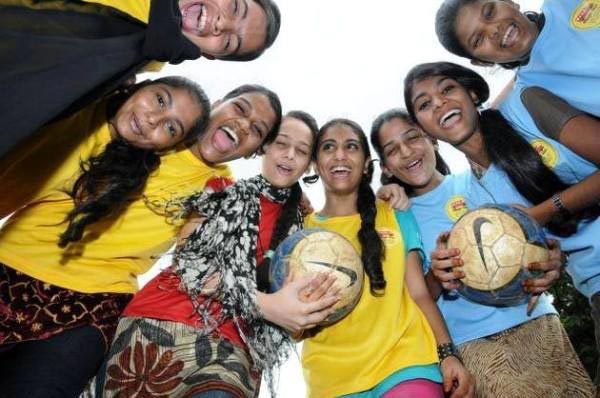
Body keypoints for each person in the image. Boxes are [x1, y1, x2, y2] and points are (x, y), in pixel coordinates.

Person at [0, 83, 282, 398]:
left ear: (255, 151)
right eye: (240, 109)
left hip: (91, 306)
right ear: (217, 103)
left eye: (256, 130)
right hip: (11, 264)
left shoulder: (222, 193)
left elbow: (205, 260)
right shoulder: (142, 120)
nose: (243, 124)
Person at [91, 111, 339, 398]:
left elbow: (297, 311)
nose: (289, 155)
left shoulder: (307, 235)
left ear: (310, 165)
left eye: (302, 151)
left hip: (237, 349)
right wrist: (266, 305)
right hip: (160, 320)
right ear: (265, 147)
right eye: (282, 143)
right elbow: (190, 264)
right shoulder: (220, 190)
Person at [399, 61, 597, 397]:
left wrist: (545, 211)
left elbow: (545, 215)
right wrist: (549, 265)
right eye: (424, 104)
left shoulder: (522, 112)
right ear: (426, 130)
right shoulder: (476, 194)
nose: (440, 103)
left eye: (447, 89)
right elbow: (548, 247)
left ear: (472, 92)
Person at [300, 118, 474, 398]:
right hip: (330, 381)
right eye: (329, 147)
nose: (340, 155)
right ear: (316, 163)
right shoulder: (301, 231)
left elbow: (418, 294)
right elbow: (294, 322)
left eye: (352, 147)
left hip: (407, 362)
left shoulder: (395, 211)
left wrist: (448, 354)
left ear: (368, 163)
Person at [0, 0, 281, 158]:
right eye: (234, 7)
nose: (222, 23)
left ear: (209, 55)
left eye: (229, 42)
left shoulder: (134, 67)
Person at [435, 0, 600, 118]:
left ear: (509, 2)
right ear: (482, 62)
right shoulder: (531, 95)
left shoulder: (565, 4)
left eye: (490, 12)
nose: (494, 30)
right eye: (478, 40)